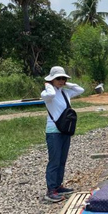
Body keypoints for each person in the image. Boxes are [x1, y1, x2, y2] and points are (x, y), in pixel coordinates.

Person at [41, 66, 84, 202]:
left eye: (63, 78)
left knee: (62, 160)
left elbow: (80, 89)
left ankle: (58, 186)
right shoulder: (46, 93)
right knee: (54, 161)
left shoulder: (65, 92)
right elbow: (51, 95)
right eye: (58, 78)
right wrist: (48, 85)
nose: (61, 81)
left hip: (65, 130)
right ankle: (50, 190)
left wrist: (66, 83)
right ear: (52, 79)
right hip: (54, 131)